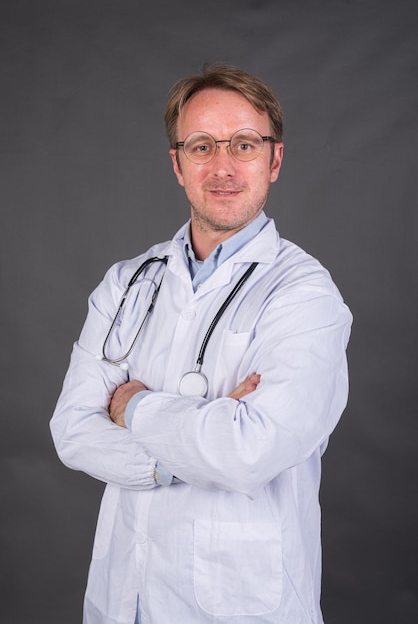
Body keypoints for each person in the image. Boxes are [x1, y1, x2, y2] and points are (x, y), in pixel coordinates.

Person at [50, 63, 352, 624]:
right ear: (177, 165)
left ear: (274, 159)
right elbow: (71, 433)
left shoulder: (306, 295)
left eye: (243, 144)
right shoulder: (126, 283)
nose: (223, 167)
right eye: (201, 147)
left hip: (240, 604)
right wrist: (191, 449)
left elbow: (248, 454)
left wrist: (131, 405)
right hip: (125, 599)